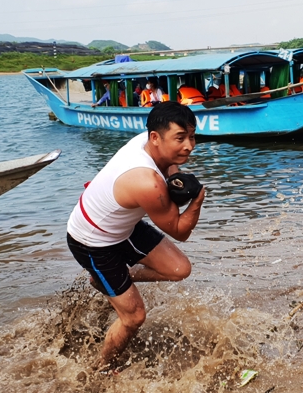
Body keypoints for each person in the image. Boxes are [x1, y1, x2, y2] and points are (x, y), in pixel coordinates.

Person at [66, 101, 206, 371]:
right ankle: (102, 367)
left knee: (179, 269)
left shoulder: (146, 140)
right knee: (134, 317)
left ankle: (110, 281)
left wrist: (176, 179)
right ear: (156, 137)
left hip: (122, 227)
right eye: (180, 138)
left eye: (192, 136)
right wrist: (197, 200)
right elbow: (180, 231)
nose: (189, 146)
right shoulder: (147, 182)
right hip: (92, 241)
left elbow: (169, 168)